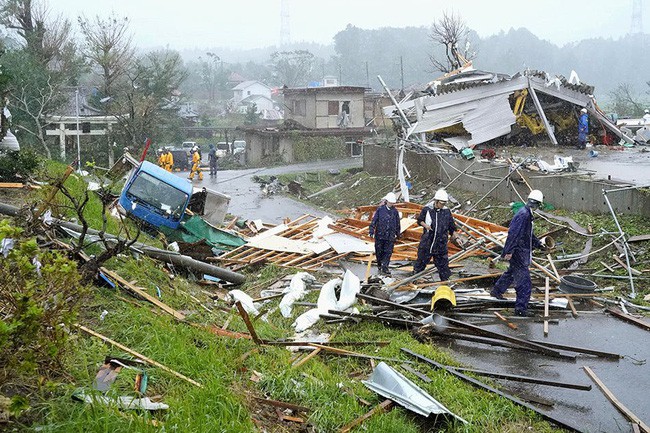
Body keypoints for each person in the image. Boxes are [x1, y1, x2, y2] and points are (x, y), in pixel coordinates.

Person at [491, 189, 547, 316]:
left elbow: (528, 234)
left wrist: (538, 243)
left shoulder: (526, 213)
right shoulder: (524, 215)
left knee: (511, 273)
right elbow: (513, 233)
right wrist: (509, 251)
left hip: (519, 252)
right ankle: (521, 309)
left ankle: (497, 291)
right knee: (524, 283)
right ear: (538, 204)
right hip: (519, 253)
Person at [412, 189, 459, 281]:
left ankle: (445, 283)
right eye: (441, 203)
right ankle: (415, 279)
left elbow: (452, 227)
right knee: (421, 262)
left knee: (443, 266)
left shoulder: (446, 212)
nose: (443, 205)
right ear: (436, 201)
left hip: (441, 243)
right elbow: (420, 220)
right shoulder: (427, 210)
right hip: (428, 242)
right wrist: (426, 226)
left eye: (444, 203)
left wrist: (456, 237)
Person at [368, 192, 400, 276]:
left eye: (393, 203)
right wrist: (371, 230)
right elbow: (374, 220)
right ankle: (380, 264)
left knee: (388, 252)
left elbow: (397, 223)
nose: (391, 204)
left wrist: (398, 233)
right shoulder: (380, 209)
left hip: (390, 236)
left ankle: (385, 267)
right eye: (390, 203)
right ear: (386, 201)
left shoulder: (395, 211)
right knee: (379, 251)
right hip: (380, 235)